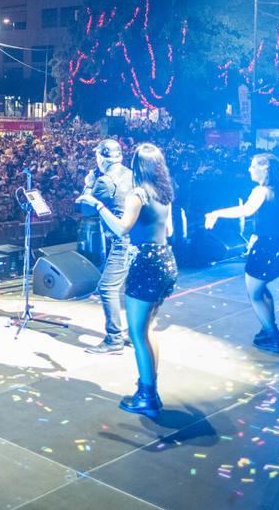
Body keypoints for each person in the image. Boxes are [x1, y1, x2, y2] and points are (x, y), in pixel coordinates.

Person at [83, 143, 176, 418]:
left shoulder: (138, 194)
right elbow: (168, 229)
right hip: (165, 260)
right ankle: (148, 387)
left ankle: (148, 396)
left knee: (137, 334)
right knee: (149, 331)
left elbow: (122, 228)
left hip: (145, 263)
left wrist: (98, 206)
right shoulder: (165, 193)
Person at [205, 153, 279, 353]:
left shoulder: (261, 191)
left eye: (253, 166)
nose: (249, 169)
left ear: (265, 169)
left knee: (254, 294)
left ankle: (271, 335)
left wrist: (216, 213)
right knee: (261, 289)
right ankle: (269, 327)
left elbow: (245, 210)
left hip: (266, 248)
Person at [76, 139, 134, 355]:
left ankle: (114, 339)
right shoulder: (131, 174)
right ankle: (134, 333)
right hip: (137, 238)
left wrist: (88, 183)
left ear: (101, 157)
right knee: (131, 288)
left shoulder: (104, 181)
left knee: (107, 287)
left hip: (122, 240)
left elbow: (85, 208)